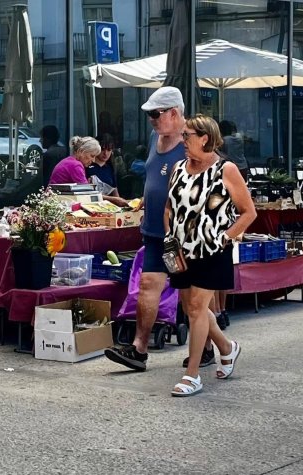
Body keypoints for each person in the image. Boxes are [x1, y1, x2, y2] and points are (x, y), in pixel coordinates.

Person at [165, 114, 256, 396]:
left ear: (205, 138)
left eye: (187, 135)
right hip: (179, 250)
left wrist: (224, 238)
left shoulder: (225, 170)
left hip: (211, 249)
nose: (183, 140)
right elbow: (169, 207)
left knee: (195, 308)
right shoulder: (179, 168)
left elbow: (249, 213)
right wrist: (169, 237)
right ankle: (227, 348)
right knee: (194, 307)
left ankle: (192, 375)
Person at [104, 86, 190, 372]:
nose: (151, 120)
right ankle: (139, 349)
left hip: (178, 236)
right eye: (150, 115)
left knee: (191, 296)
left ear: (174, 113)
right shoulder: (156, 138)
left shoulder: (191, 142)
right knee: (148, 285)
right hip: (154, 232)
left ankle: (216, 346)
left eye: (156, 114)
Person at [89, 133, 129, 207]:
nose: (105, 153)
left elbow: (115, 191)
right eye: (103, 149)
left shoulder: (110, 168)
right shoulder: (87, 166)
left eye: (109, 150)